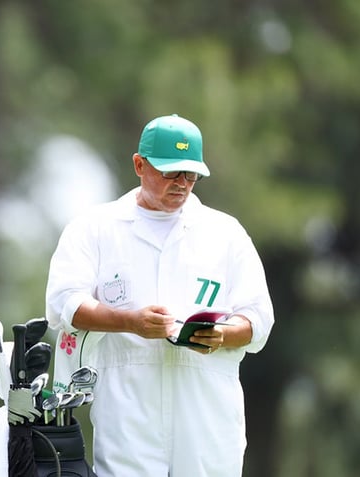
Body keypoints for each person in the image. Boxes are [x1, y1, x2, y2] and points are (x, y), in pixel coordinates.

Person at [45, 114, 274, 477]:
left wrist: (221, 335)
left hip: (206, 408)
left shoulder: (225, 233)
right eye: (171, 173)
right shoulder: (95, 228)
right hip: (128, 406)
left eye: (191, 175)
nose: (182, 184)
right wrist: (130, 322)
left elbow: (258, 320)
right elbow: (64, 303)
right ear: (139, 164)